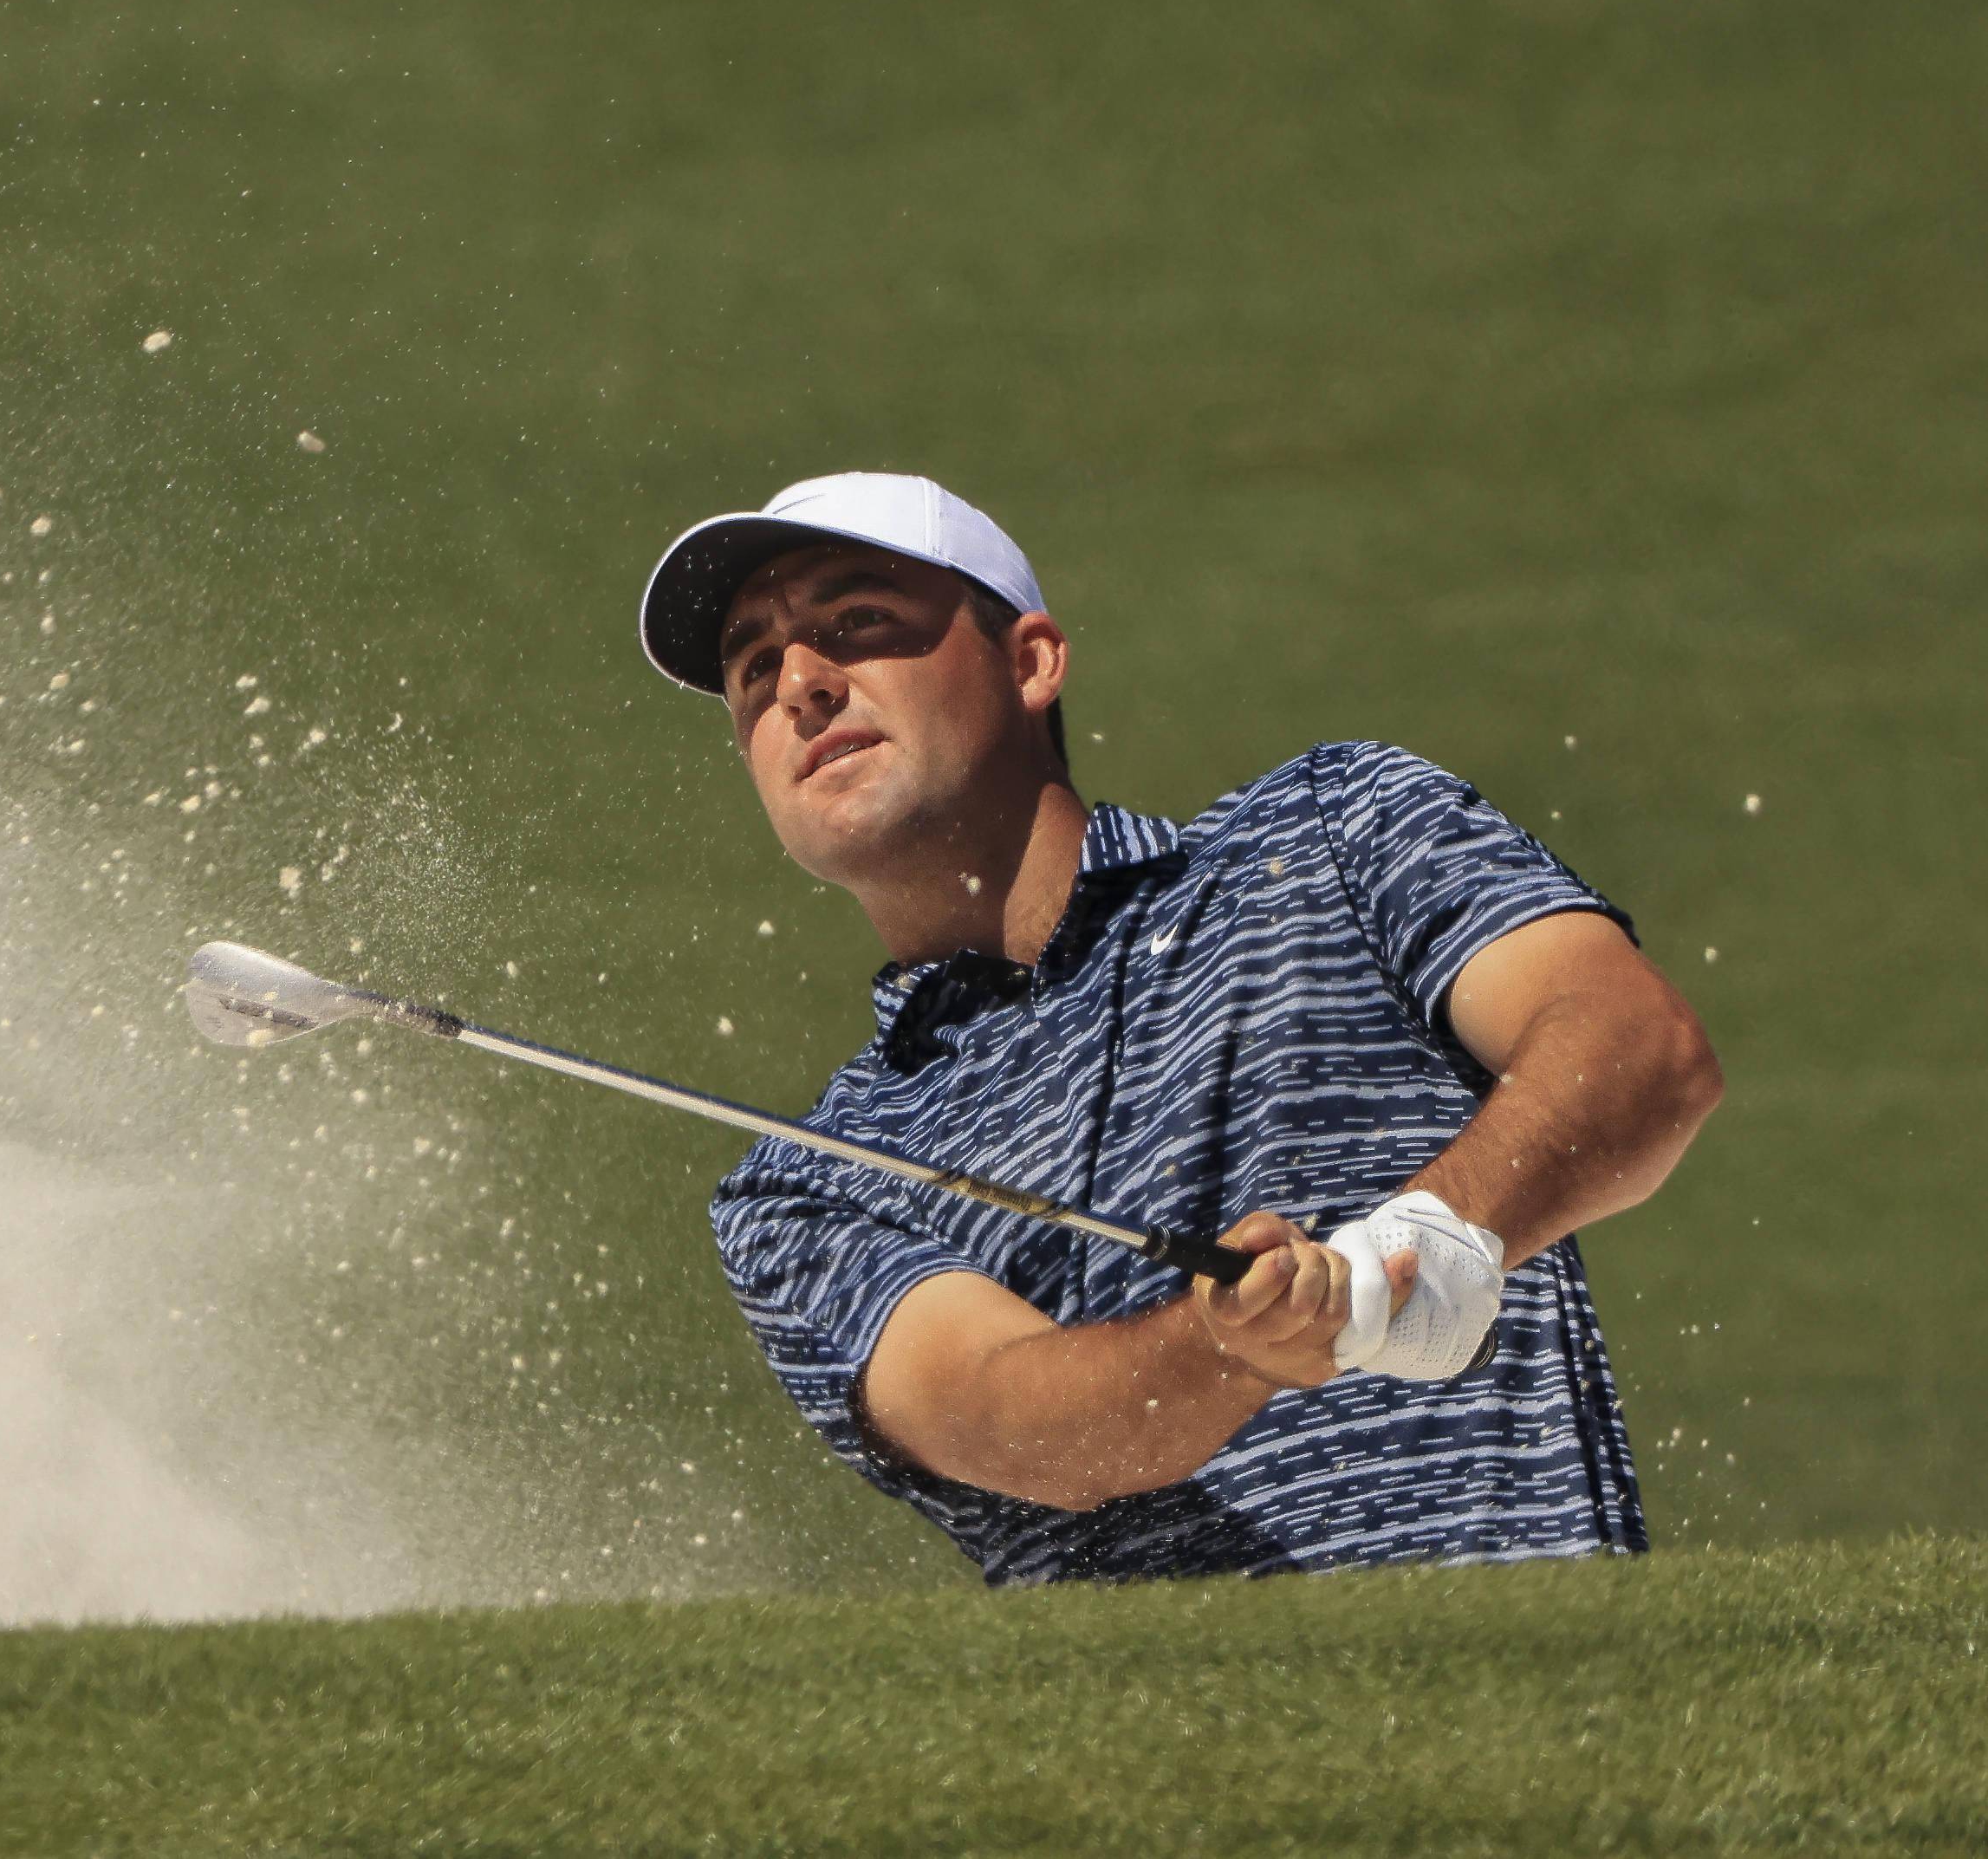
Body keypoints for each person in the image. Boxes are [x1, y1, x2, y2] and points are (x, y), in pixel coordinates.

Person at [640, 472, 1720, 1581]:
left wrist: (1401, 1261)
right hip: (1175, 1755)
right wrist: (1232, 1343)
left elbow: (1637, 1051)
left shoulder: (1333, 829)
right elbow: (1015, 1425)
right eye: (753, 669)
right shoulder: (802, 1188)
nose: (800, 687)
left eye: (855, 622)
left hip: (1537, 1709)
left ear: (1029, 662)